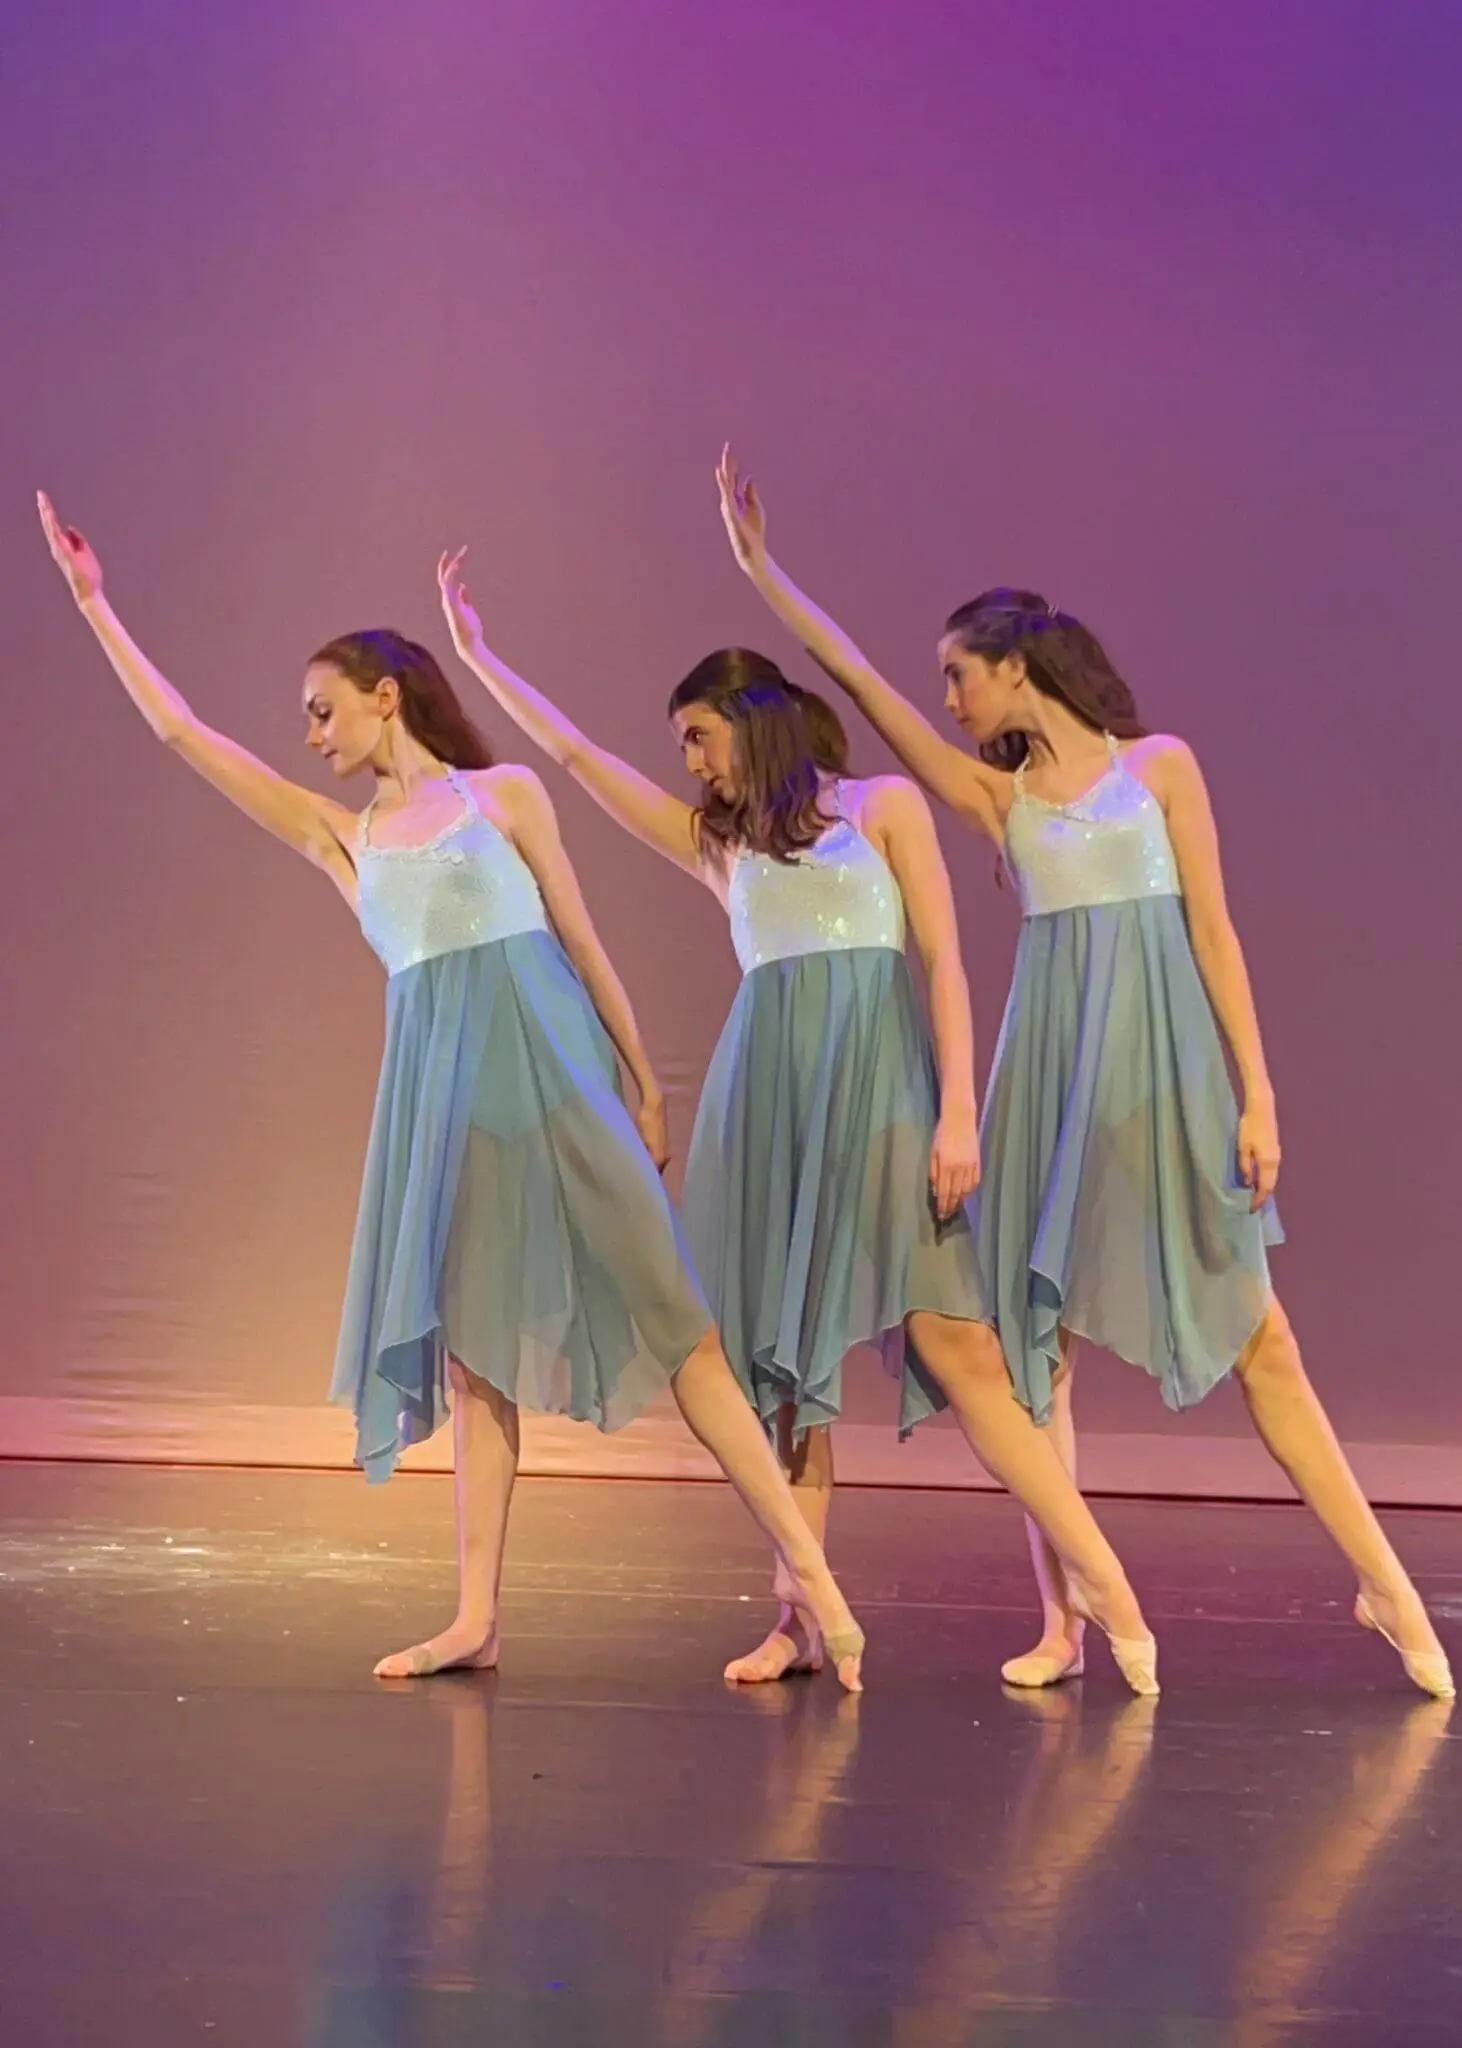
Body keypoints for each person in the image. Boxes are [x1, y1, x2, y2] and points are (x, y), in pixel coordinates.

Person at [36, 492, 866, 1690]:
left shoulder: (503, 796)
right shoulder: (345, 840)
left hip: (561, 1080)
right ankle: (476, 1613)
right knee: (476, 1356)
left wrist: (645, 1079)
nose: (310, 734)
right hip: (448, 1109)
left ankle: (816, 1583)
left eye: (324, 709)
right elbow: (184, 737)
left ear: (388, 698)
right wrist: (95, 604)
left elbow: (583, 944)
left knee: (685, 1334)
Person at [713, 447, 1453, 1700]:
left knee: (1262, 1338)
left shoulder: (1159, 767)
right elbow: (862, 688)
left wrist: (1258, 1088)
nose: (943, 694)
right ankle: (1061, 1615)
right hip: (1049, 1080)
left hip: (1165, 1078)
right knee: (1031, 1347)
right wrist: (767, 576)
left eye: (958, 670)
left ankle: (1382, 1579)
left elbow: (1214, 934)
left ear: (1017, 665)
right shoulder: (999, 803)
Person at [434, 546, 1159, 1694]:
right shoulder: (719, 846)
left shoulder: (883, 809)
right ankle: (799, 1610)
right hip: (766, 1107)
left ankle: (1102, 1581)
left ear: (749, 723)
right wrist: (482, 658)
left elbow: (948, 966)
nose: (687, 761)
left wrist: (958, 1109)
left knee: (959, 1343)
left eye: (698, 737)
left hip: (880, 1097)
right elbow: (576, 760)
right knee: (783, 1376)